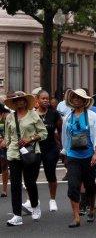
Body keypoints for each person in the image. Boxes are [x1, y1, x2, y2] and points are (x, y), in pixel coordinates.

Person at [2, 92, 47, 226]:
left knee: (29, 183)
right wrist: (6, 143)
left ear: (26, 102)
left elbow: (43, 133)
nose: (19, 102)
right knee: (15, 185)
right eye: (16, 101)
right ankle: (17, 215)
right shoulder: (10, 117)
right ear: (14, 104)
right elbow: (7, 135)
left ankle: (35, 205)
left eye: (21, 100)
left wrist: (30, 139)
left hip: (31, 152)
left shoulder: (33, 115)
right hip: (14, 154)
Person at [62, 89, 96, 227]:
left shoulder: (92, 116)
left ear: (85, 100)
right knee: (73, 186)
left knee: (90, 186)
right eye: (74, 97)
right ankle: (76, 216)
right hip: (73, 156)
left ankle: (92, 208)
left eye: (79, 97)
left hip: (89, 156)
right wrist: (65, 154)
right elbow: (65, 137)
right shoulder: (67, 117)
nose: (77, 99)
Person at [33, 90, 62, 212]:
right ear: (37, 100)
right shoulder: (32, 114)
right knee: (32, 175)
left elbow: (59, 130)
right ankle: (33, 200)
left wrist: (60, 145)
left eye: (47, 98)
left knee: (51, 174)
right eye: (43, 98)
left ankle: (52, 199)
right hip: (36, 148)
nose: (45, 100)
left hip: (51, 148)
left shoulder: (54, 114)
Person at [0, 103, 10, 197]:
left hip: (4, 145)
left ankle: (4, 190)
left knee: (4, 166)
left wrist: (5, 140)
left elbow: (10, 131)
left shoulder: (6, 117)